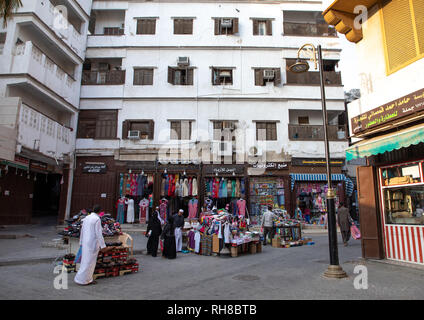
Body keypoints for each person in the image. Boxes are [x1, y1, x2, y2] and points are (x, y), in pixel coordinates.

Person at [74, 205, 111, 286]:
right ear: (100, 211)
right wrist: (103, 246)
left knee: (85, 261)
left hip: (85, 242)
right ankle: (85, 280)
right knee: (90, 262)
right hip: (92, 243)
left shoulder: (86, 218)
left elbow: (82, 231)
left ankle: (83, 279)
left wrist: (81, 242)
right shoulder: (96, 219)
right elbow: (99, 234)